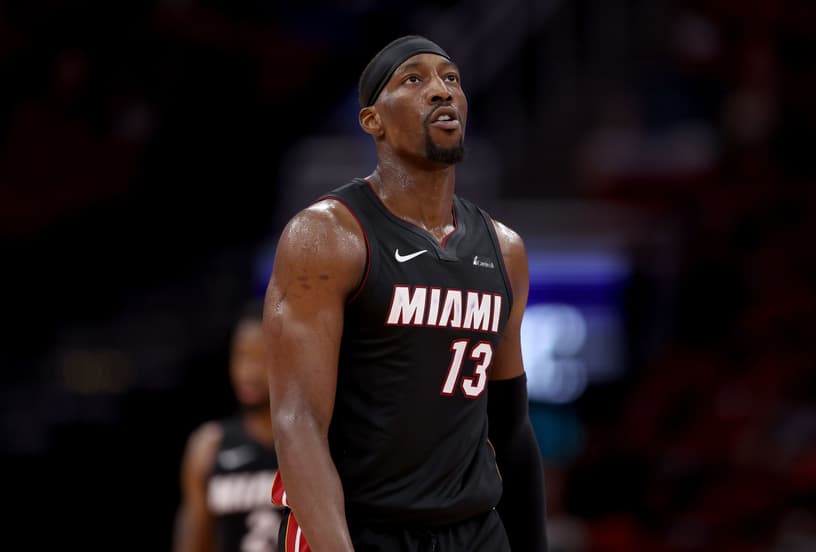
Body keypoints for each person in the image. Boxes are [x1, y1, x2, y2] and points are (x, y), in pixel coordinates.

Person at [263, 35, 547, 552]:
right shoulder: (327, 237)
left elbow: (511, 425)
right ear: (373, 121)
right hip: (361, 527)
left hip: (473, 530)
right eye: (414, 79)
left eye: (451, 79)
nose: (441, 91)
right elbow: (298, 421)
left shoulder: (505, 251)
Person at [173, 300, 282, 552]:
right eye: (241, 356)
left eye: (261, 358)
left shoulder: (316, 445)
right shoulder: (208, 445)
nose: (248, 371)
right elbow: (193, 542)